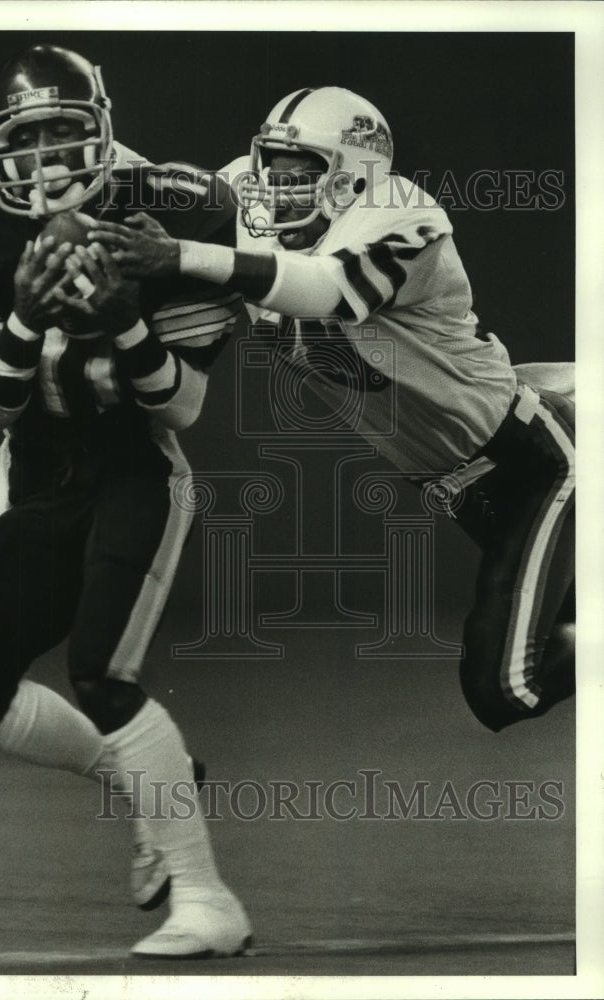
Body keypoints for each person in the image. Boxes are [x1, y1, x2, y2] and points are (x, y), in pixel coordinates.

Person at [0, 43, 252, 958]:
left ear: (105, 129)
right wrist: (25, 317)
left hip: (133, 466)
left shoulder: (176, 210)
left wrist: (124, 320)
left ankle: (209, 902)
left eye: (65, 132)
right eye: (23, 138)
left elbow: (182, 406)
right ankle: (146, 784)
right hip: (32, 468)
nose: (46, 160)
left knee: (102, 675)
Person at [87, 86, 575, 734]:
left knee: (506, 688)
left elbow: (325, 289)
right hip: (456, 483)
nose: (274, 191)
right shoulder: (249, 202)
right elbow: (145, 178)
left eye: (298, 177)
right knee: (569, 618)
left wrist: (182, 254)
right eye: (270, 171)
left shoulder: (403, 216)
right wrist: (49, 112)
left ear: (354, 178)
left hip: (532, 462)